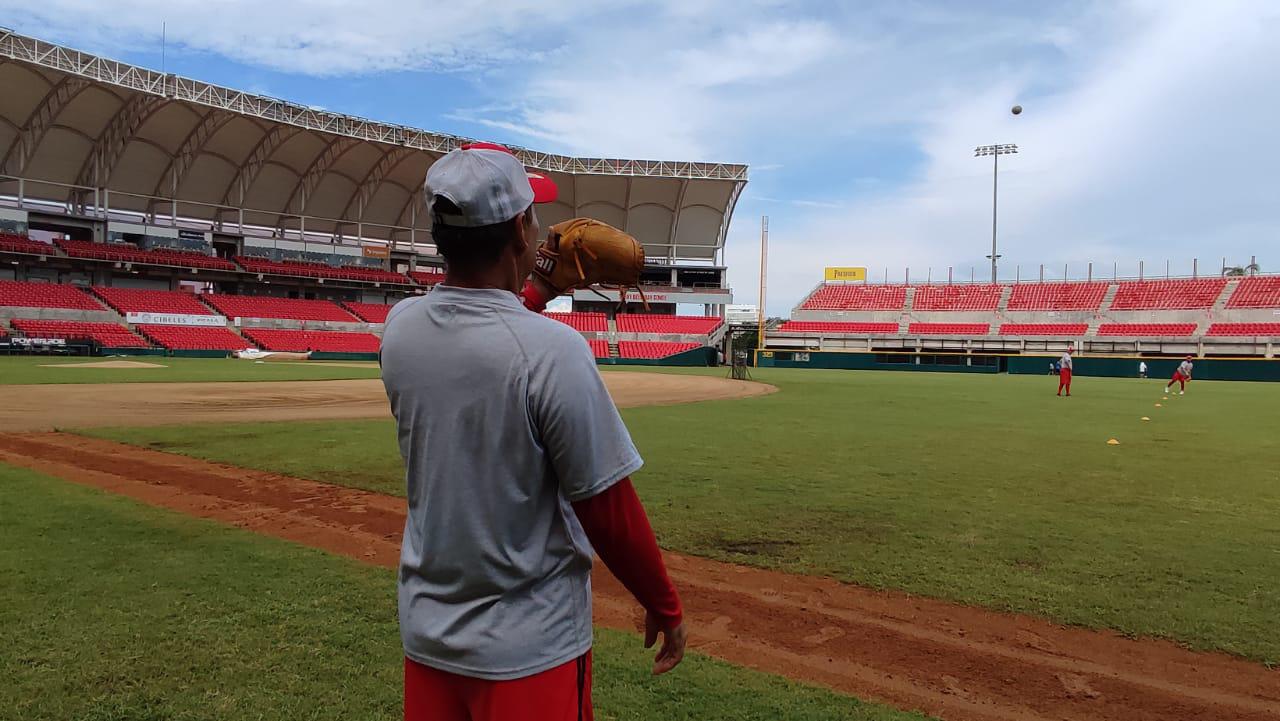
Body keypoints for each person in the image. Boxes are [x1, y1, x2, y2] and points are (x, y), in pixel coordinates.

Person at [380, 143, 686, 721]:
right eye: (534, 215)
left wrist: (537, 293)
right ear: (521, 229)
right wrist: (663, 604)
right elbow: (607, 509)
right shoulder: (556, 353)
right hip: (530, 650)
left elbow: (481, 332)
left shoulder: (400, 330)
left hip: (428, 641)